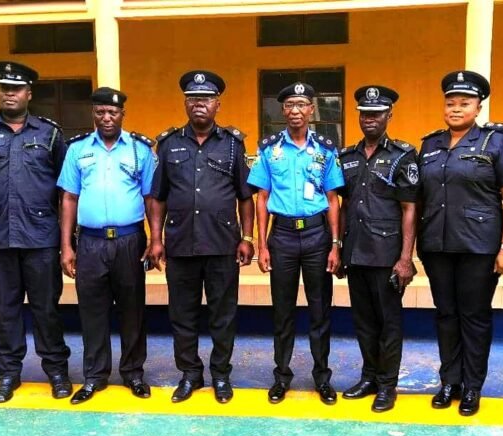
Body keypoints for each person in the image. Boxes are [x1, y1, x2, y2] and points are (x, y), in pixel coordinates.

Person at [0, 61, 72, 403]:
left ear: (29, 94)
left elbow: (67, 190)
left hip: (41, 238)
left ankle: (56, 371)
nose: (10, 93)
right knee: (5, 308)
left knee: (46, 308)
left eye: (16, 88)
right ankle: (8, 373)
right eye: (4, 87)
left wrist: (67, 239)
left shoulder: (49, 134)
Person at [418, 71, 503, 416]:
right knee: (446, 315)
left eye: (464, 103)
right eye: (450, 103)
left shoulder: (496, 142)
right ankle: (449, 380)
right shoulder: (430, 144)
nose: (455, 109)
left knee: (474, 317)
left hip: (478, 246)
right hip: (437, 244)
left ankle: (472, 386)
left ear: (478, 106)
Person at [148, 71, 254, 404]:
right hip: (180, 244)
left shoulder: (234, 145)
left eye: (206, 99)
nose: (199, 104)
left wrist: (247, 236)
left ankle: (221, 375)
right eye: (193, 98)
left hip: (222, 244)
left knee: (223, 314)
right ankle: (190, 375)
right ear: (185, 103)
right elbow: (158, 196)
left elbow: (245, 196)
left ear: (217, 104)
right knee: (183, 314)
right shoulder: (168, 144)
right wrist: (155, 239)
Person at [247, 82, 344, 405]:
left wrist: (334, 244)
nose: (296, 111)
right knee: (283, 311)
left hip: (317, 235)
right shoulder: (269, 149)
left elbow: (333, 199)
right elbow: (261, 198)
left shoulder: (326, 149)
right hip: (283, 236)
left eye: (302, 104)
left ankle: (322, 377)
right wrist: (262, 245)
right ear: (283, 111)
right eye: (289, 105)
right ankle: (282, 376)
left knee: (320, 309)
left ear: (312, 109)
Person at [58, 87, 156, 404]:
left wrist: (156, 239)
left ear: (122, 115)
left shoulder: (140, 150)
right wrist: (66, 246)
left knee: (132, 310)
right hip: (90, 243)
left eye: (112, 112)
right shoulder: (78, 150)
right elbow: (69, 198)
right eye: (100, 112)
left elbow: (151, 198)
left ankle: (133, 374)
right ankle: (95, 376)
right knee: (92, 311)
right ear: (93, 115)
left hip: (129, 241)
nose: (106, 117)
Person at [337, 85, 418, 413]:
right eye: (365, 114)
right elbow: (342, 205)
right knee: (364, 321)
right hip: (356, 252)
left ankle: (387, 385)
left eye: (377, 114)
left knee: (388, 323)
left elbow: (410, 209)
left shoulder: (402, 155)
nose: (370, 119)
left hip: (387, 255)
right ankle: (369, 376)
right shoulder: (348, 156)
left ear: (389, 115)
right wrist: (340, 247)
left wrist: (405, 259)